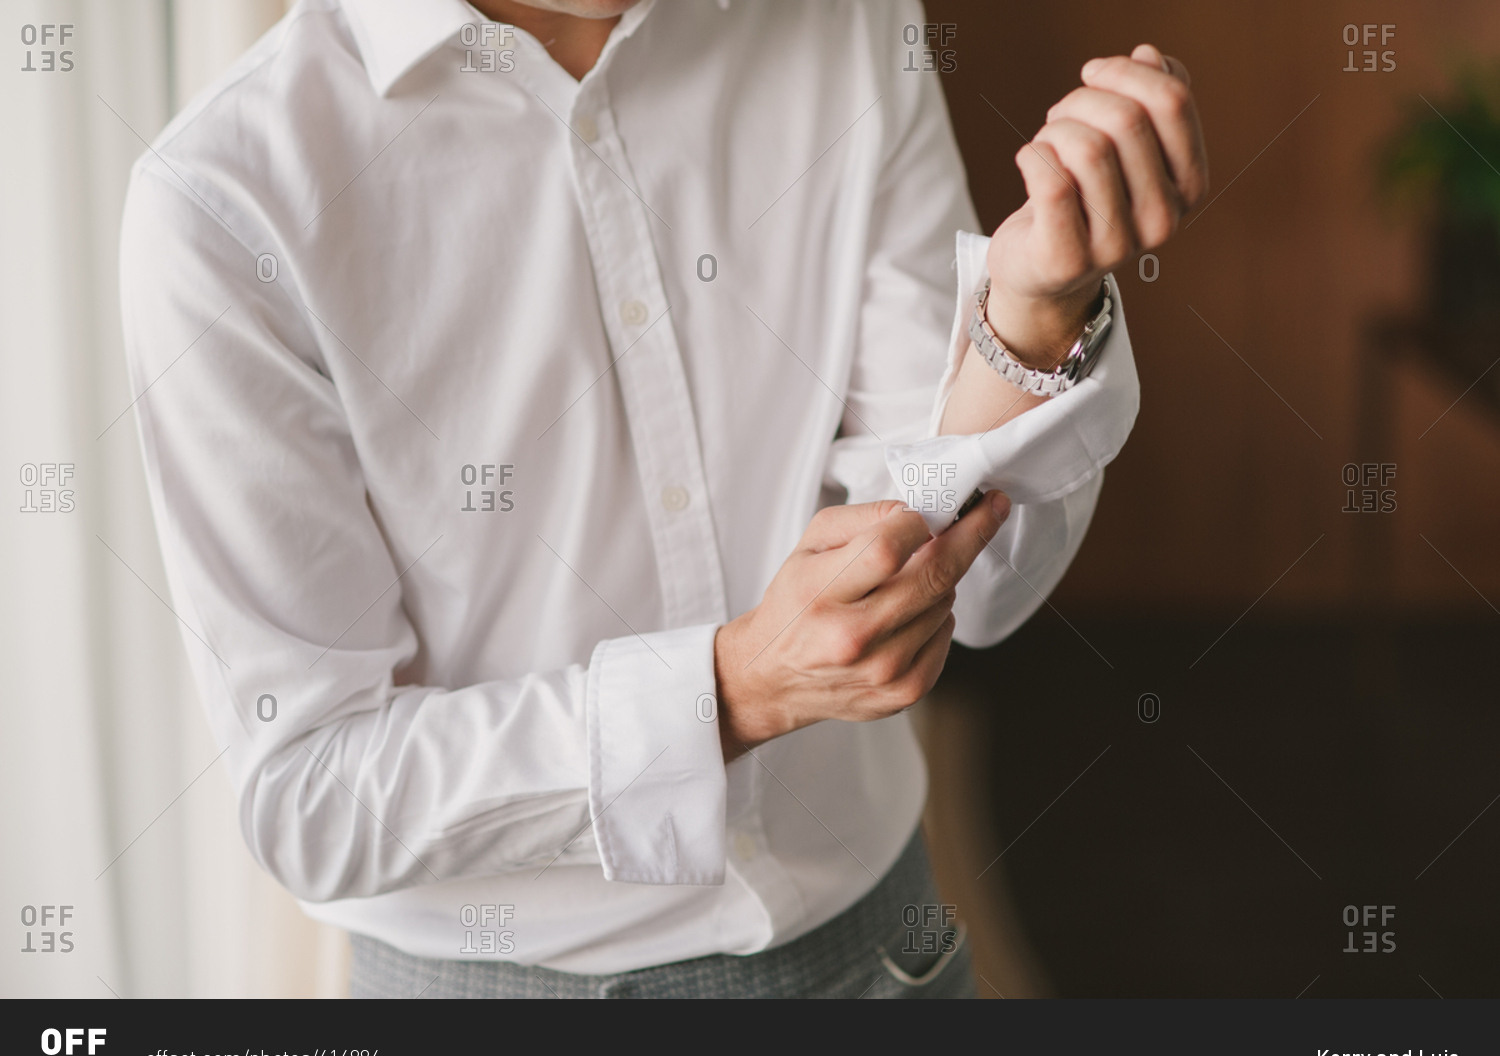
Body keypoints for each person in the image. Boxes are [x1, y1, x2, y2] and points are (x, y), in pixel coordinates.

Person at [119, 0, 1207, 998]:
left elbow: (970, 595)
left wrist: (1023, 321)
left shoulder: (845, 19)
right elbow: (315, 794)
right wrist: (730, 692)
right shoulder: (227, 201)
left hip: (881, 957)